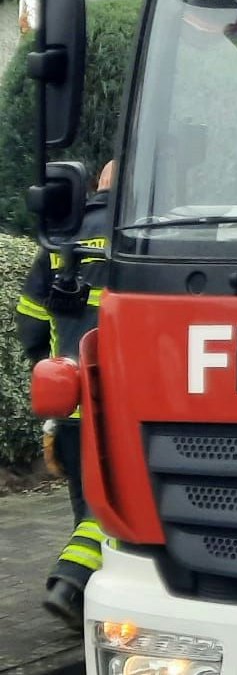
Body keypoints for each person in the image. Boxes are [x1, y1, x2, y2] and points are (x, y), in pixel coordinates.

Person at [15, 158, 115, 627]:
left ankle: (82, 601)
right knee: (112, 509)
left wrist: (47, 366)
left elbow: (30, 321)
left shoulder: (59, 238)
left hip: (69, 397)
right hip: (127, 402)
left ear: (96, 185)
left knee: (88, 503)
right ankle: (71, 582)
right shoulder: (152, 232)